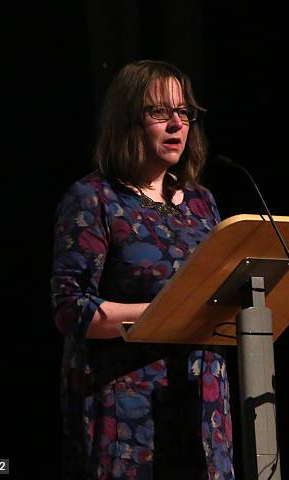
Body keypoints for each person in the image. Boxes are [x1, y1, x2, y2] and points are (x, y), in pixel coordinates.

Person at [50, 60, 233, 480]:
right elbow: (70, 308)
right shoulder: (94, 197)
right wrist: (163, 314)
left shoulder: (202, 202)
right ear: (128, 121)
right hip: (125, 406)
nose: (176, 124)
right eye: (159, 112)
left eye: (184, 112)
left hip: (202, 401)